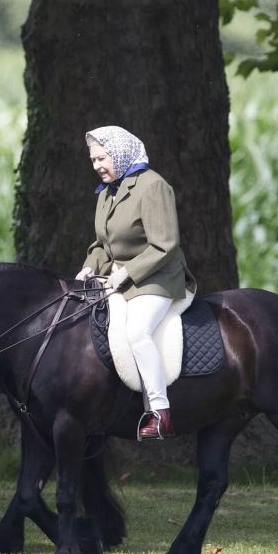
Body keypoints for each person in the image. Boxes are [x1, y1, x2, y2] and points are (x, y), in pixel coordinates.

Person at [75, 126, 196, 440]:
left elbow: (165, 244)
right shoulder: (107, 192)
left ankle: (159, 411)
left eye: (102, 158)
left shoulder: (153, 186)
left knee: (137, 331)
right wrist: (88, 269)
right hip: (119, 279)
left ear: (119, 153)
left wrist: (126, 273)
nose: (97, 165)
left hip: (158, 280)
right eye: (93, 160)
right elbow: (103, 244)